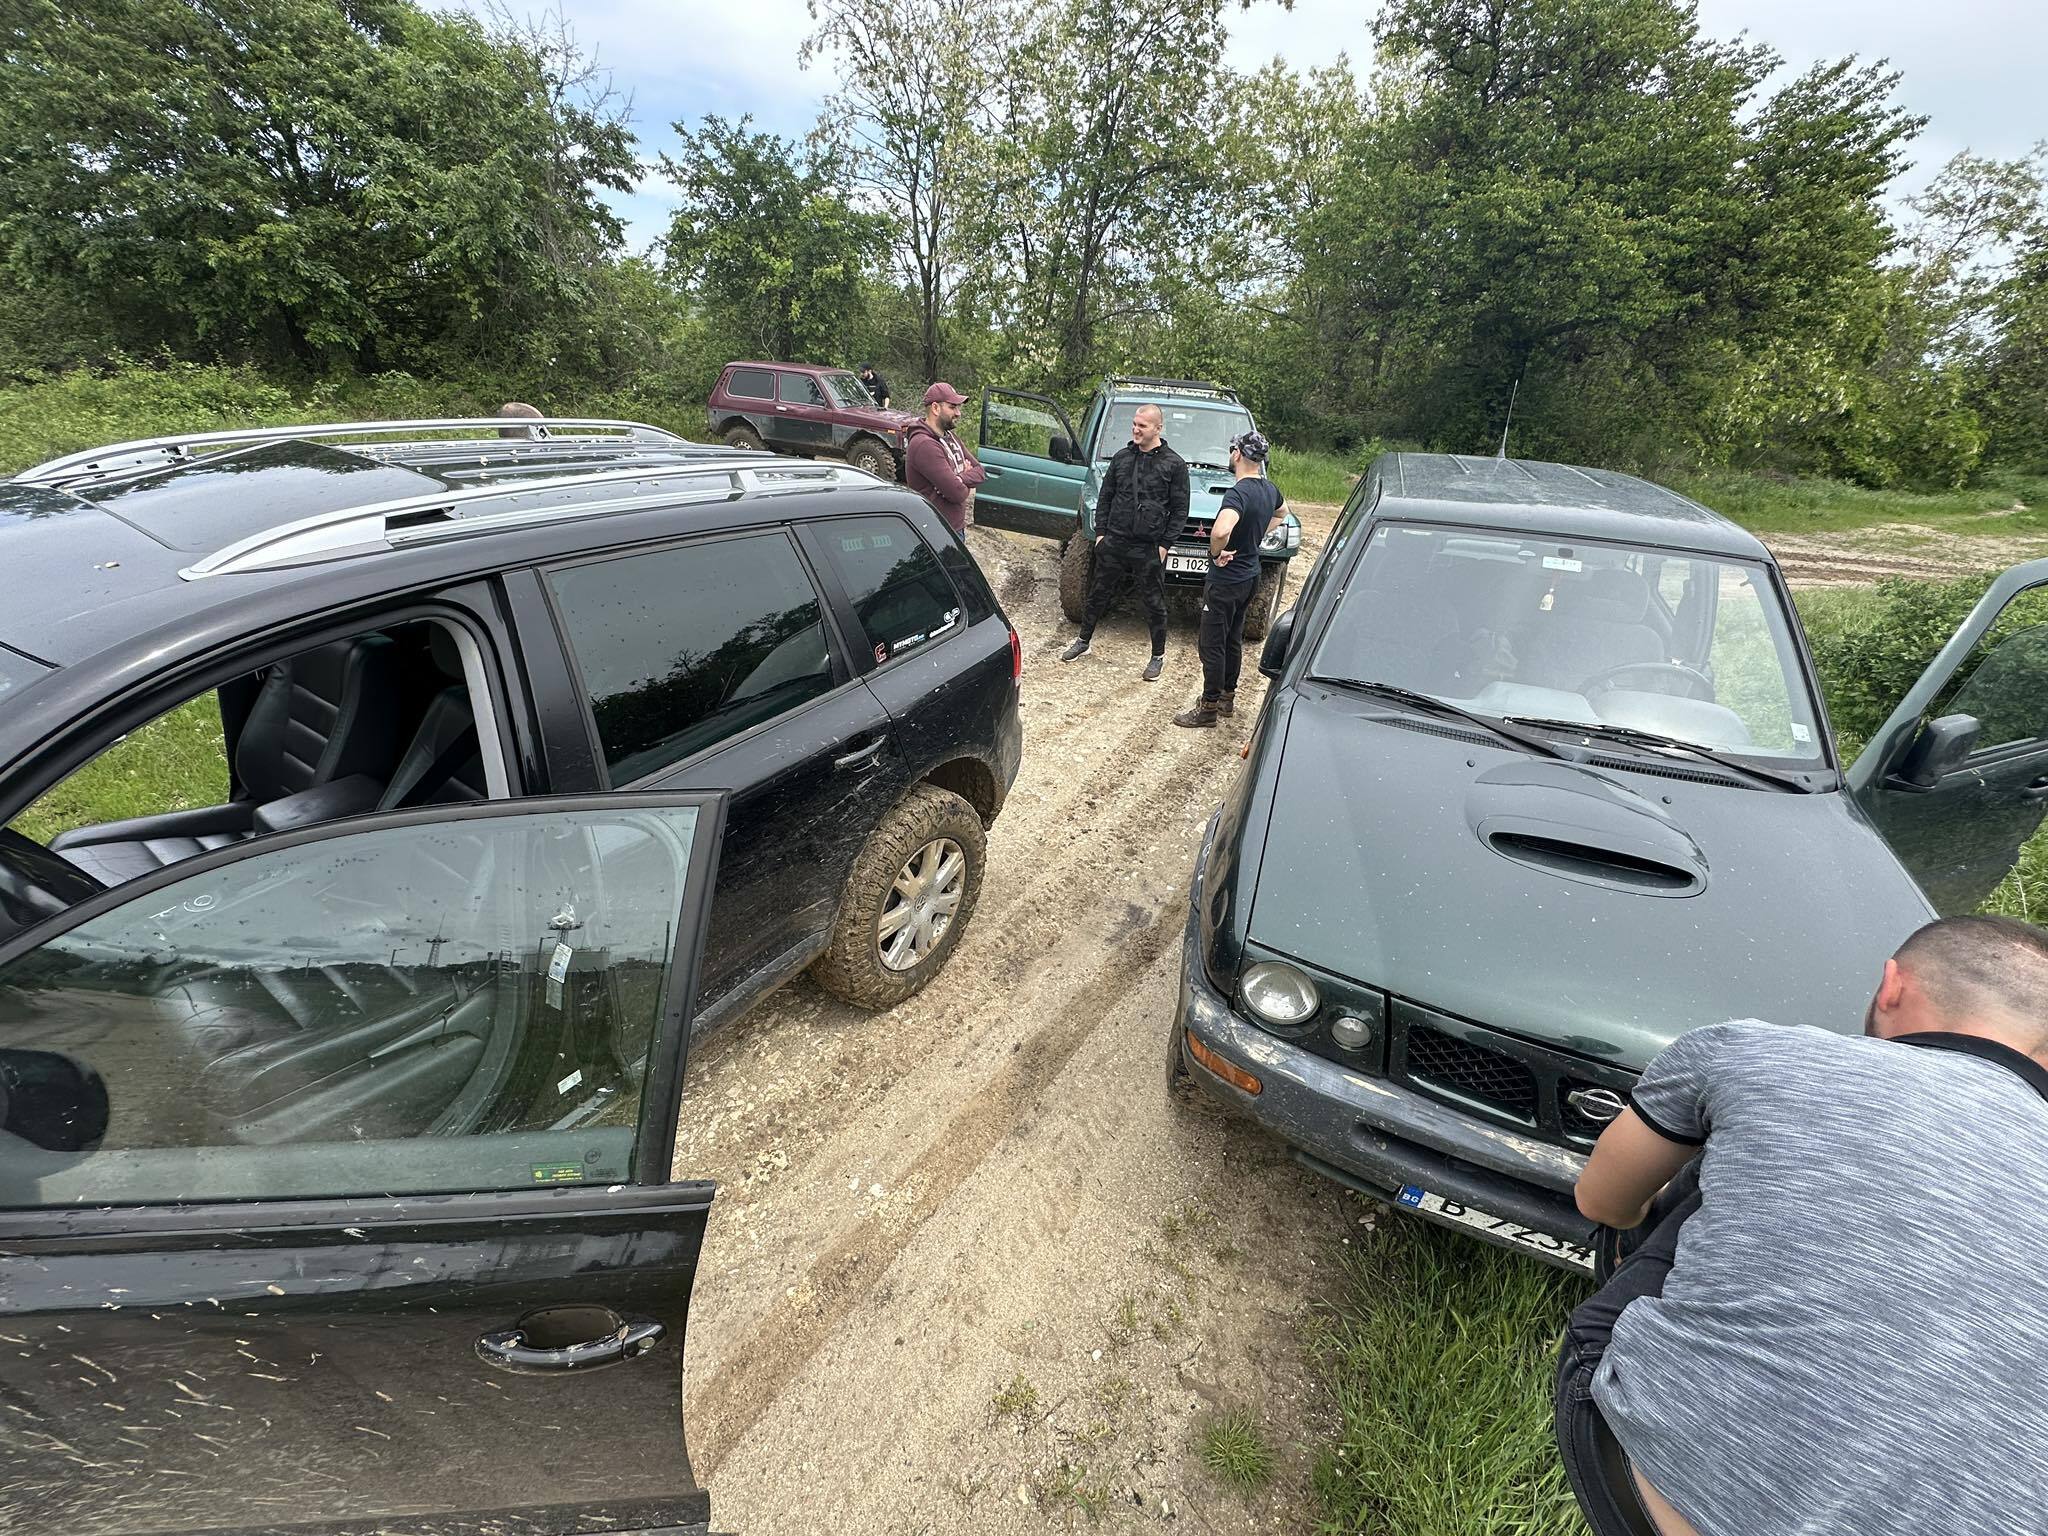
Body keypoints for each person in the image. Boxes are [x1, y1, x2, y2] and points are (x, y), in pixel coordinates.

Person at [1556, 914, 2048, 1536]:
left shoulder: (1756, 1050)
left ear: (1891, 985)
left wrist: (1639, 1231)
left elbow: (1602, 1200)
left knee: (1712, 1176)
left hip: (1665, 1491)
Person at [1060, 403, 1190, 681]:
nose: (1136, 429)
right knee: (1097, 593)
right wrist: (1102, 534)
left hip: (1149, 546)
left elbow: (1180, 510)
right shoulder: (1121, 458)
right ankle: (1083, 641)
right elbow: (1105, 497)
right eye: (1134, 424)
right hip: (1115, 541)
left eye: (1142, 425)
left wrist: (1165, 544)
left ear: (1158, 428)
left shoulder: (1175, 465)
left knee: (1154, 602)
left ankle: (1157, 657)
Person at [1174, 429, 1282, 728]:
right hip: (1250, 577)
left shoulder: (1238, 493)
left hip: (1226, 579)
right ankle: (1226, 698)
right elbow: (1282, 514)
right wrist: (1254, 535)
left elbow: (1221, 530)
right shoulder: (1270, 489)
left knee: (1212, 644)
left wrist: (1215, 552)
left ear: (1237, 454)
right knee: (1233, 638)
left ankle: (1208, 708)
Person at [902, 382, 985, 536]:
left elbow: (980, 471)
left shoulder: (950, 437)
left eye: (958, 408)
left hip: (954, 528)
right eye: (952, 407)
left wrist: (959, 478)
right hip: (936, 532)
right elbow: (957, 494)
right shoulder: (924, 445)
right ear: (935, 408)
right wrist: (965, 480)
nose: (958, 413)